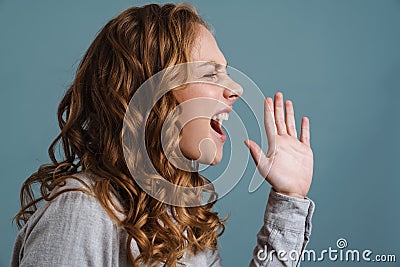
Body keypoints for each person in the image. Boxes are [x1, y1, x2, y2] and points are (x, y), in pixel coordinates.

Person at [11, 3, 315, 267]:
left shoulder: (179, 219)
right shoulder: (80, 213)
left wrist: (289, 199)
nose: (236, 89)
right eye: (211, 73)